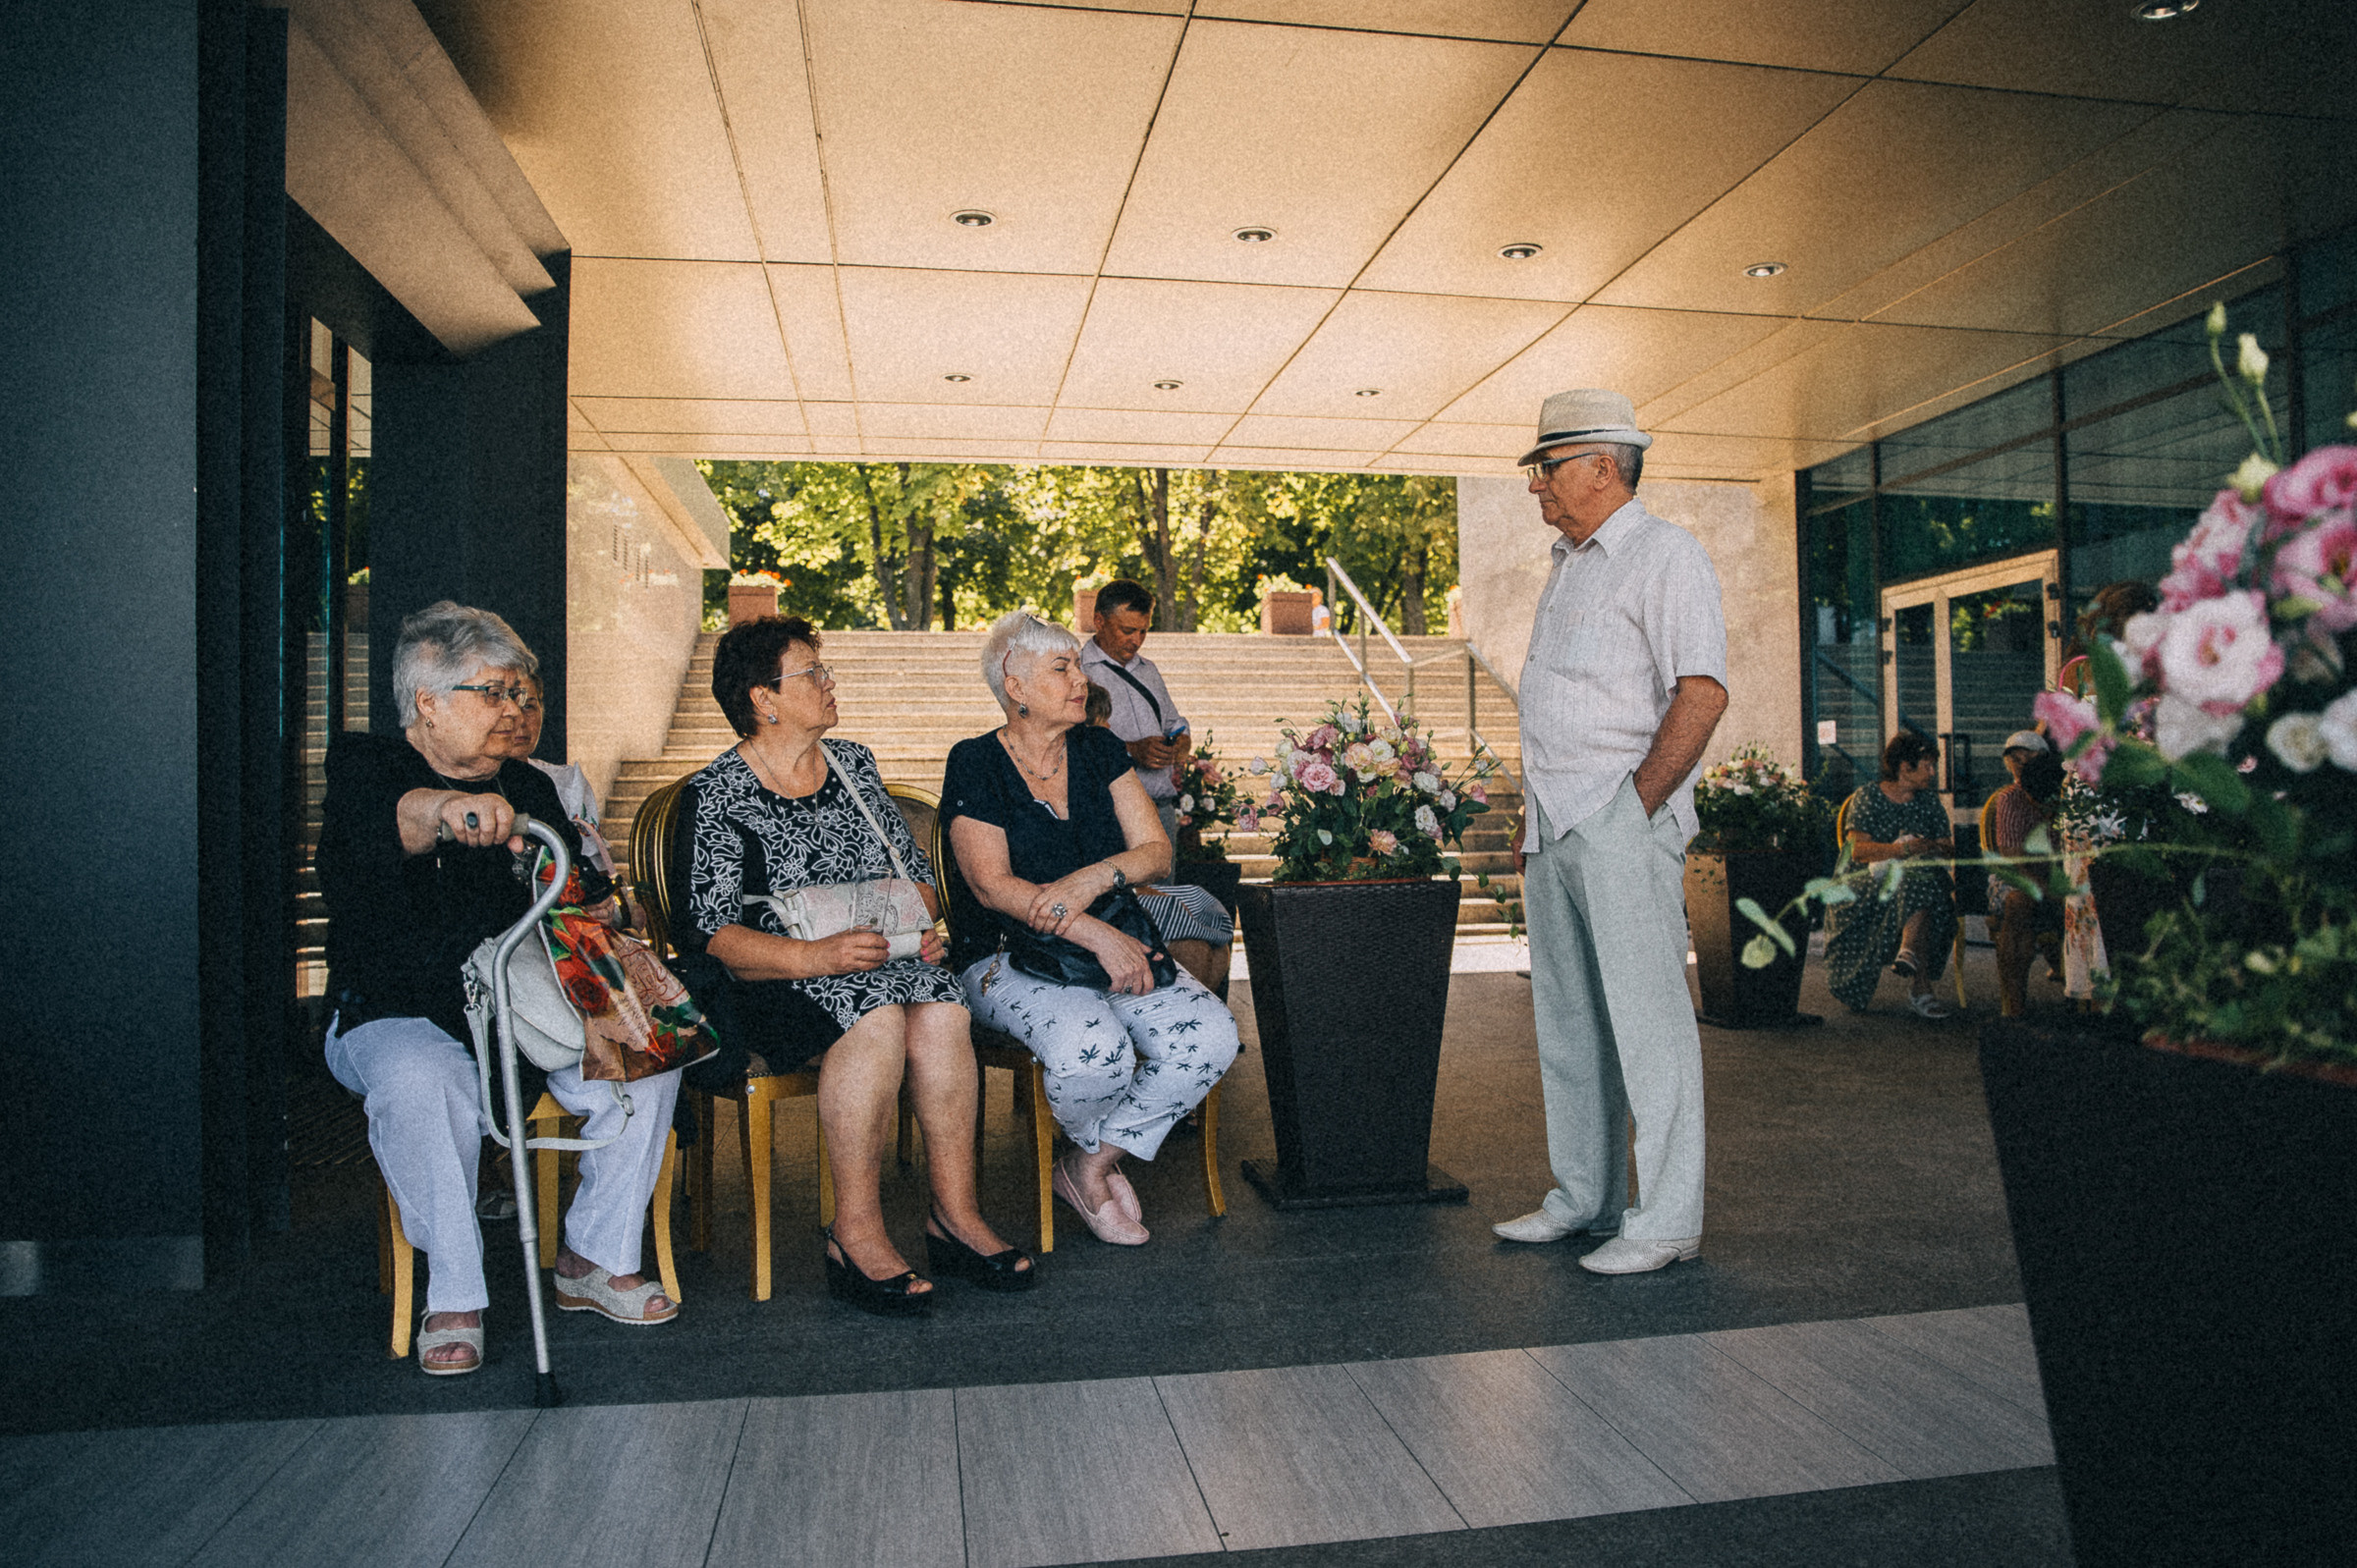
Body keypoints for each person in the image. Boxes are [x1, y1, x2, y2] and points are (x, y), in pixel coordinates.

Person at [317, 602, 684, 1377]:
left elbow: (577, 894)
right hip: (397, 1005)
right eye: (495, 693)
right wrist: (451, 811)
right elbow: (392, 819)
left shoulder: (531, 787)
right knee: (424, 1078)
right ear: (427, 701)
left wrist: (590, 893)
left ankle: (592, 1254)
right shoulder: (363, 767)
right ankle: (454, 1287)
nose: (516, 711)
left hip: (521, 1006)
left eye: (523, 693)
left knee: (652, 1050)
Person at [668, 617, 1030, 1314]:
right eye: (813, 673)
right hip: (775, 977)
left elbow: (920, 882)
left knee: (943, 1006)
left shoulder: (854, 765)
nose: (830, 683)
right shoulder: (714, 794)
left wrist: (916, 930)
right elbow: (710, 932)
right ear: (763, 699)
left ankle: (954, 1216)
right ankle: (854, 1231)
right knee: (877, 1018)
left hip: (878, 959)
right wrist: (816, 954)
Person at [1489, 389, 1729, 1276]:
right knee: (1570, 1021)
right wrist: (1541, 818)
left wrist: (1633, 808)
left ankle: (1666, 1220)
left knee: (1650, 1026)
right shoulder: (1570, 563)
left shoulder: (1667, 555)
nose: (1535, 486)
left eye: (1546, 467)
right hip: (1554, 822)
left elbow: (1700, 691)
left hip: (1618, 819)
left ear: (1602, 463)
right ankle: (1582, 1198)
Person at [946, 612, 1239, 1246]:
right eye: (1063, 667)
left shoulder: (1099, 750)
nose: (1081, 677)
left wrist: (1090, 881)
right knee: (1093, 1055)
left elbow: (1154, 851)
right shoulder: (975, 762)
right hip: (1007, 956)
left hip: (1111, 933)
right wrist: (1094, 932)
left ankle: (1088, 1165)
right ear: (1014, 683)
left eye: (1077, 666)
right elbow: (992, 885)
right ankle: (1096, 1166)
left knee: (1211, 1038)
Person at [1087, 679, 1234, 995]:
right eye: (1102, 724)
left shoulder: (1103, 771)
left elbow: (1155, 857)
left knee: (1209, 922)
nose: (1111, 728)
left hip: (1123, 888)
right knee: (1196, 942)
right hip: (1102, 903)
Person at [1825, 730, 1960, 1017]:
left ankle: (1909, 951)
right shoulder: (1868, 797)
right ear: (1904, 767)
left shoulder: (1929, 802)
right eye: (1927, 765)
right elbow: (1859, 851)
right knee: (1924, 885)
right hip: (1868, 881)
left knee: (1919, 878)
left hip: (1914, 881)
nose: (1933, 773)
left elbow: (1948, 848)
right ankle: (1919, 985)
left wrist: (1929, 846)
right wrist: (1902, 850)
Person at [1079, 579, 1192, 840]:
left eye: (1143, 631)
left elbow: (1174, 722)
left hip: (1160, 810)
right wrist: (1131, 751)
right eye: (1128, 630)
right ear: (1099, 621)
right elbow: (1071, 741)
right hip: (1107, 814)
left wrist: (1180, 742)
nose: (1137, 641)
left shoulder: (1148, 670)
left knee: (1161, 884)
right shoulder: (1077, 670)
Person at [1987, 736, 2066, 1018]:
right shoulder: (2011, 797)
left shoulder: (2064, 791)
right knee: (2019, 903)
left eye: (2027, 757)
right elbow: (2013, 863)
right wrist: (2048, 890)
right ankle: (2015, 1005)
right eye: (2015, 759)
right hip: (2020, 877)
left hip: (2060, 875)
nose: (2020, 764)